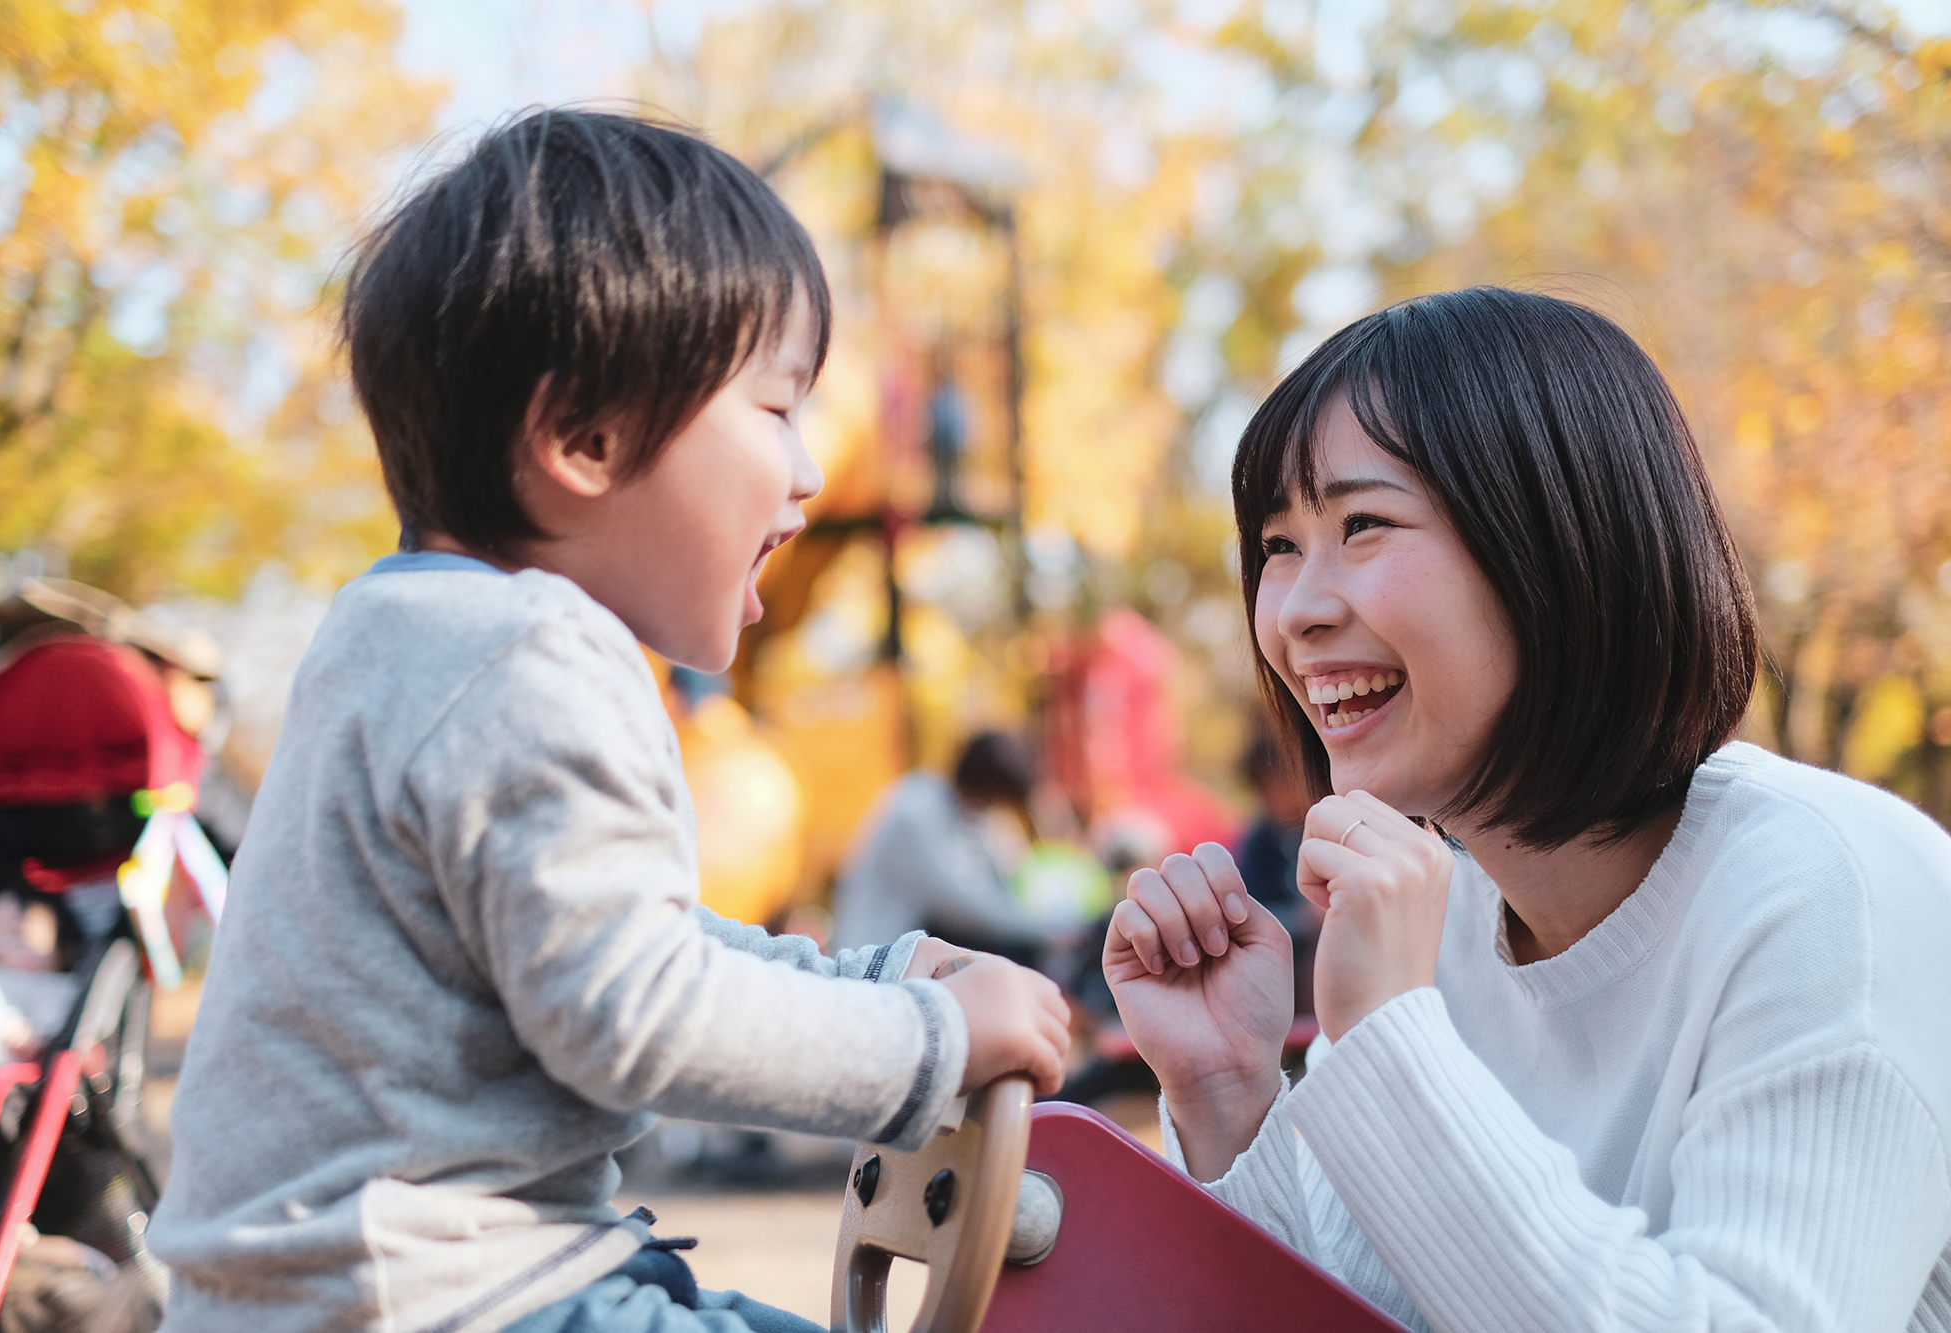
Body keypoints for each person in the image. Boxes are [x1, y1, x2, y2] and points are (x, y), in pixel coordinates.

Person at [148, 111, 1069, 1333]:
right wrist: (931, 1038)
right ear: (582, 438)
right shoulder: (539, 652)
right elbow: (638, 1013)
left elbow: (639, 939)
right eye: (776, 410)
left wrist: (875, 975)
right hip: (447, 1300)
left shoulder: (397, 636)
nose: (804, 472)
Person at [1105, 287, 1951, 1331]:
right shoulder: (1442, 918)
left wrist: (1388, 1038)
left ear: (1558, 548)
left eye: (1361, 523)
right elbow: (1356, 1311)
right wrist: (1231, 1096)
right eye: (1278, 545)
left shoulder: (1834, 892)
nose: (1296, 611)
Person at [830, 731, 1061, 967]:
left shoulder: (972, 816)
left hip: (914, 954)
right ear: (991, 790)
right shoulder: (916, 811)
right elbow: (959, 902)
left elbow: (1004, 879)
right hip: (877, 959)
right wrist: (1041, 930)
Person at [1231, 726, 1319, 1016]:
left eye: (1279, 783)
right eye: (1264, 787)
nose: (1274, 797)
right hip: (1284, 962)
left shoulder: (1333, 824)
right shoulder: (1261, 841)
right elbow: (1247, 910)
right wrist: (1303, 918)